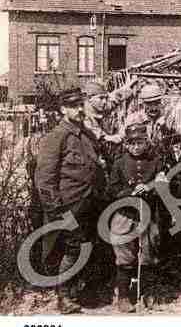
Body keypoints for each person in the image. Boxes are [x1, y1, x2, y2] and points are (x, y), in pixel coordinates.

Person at [35, 87, 106, 314]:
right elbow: (44, 178)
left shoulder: (86, 134)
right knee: (73, 247)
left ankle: (77, 291)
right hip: (68, 204)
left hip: (88, 203)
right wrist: (55, 210)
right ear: (62, 109)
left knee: (87, 246)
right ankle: (63, 296)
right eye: (73, 106)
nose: (79, 109)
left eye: (80, 104)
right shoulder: (56, 137)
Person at [108, 114, 169, 313]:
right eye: (132, 143)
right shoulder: (119, 163)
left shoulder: (156, 161)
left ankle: (145, 292)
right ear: (126, 144)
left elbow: (163, 183)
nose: (136, 147)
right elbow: (111, 189)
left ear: (146, 142)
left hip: (148, 214)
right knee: (124, 255)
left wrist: (150, 186)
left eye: (140, 142)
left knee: (148, 254)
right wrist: (129, 193)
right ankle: (124, 296)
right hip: (125, 214)